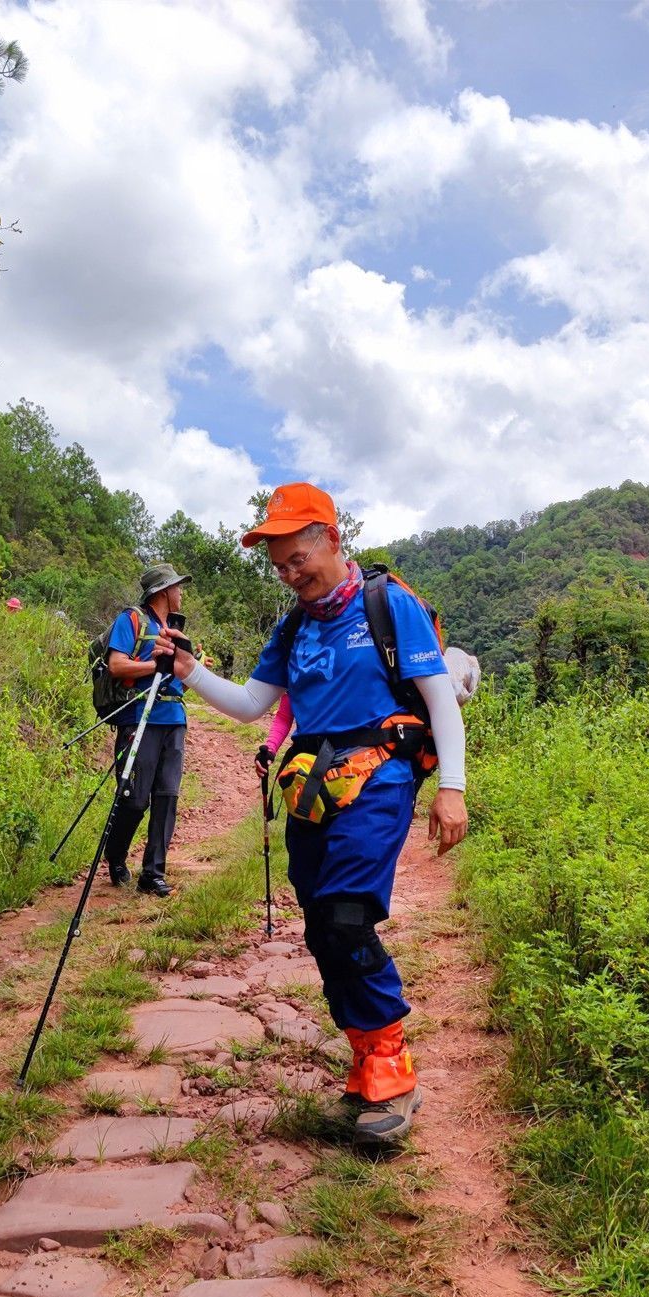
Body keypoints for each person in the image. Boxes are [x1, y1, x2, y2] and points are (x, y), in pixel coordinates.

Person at [156, 482, 467, 1146]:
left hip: (382, 774)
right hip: (312, 783)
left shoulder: (390, 606)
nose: (292, 574)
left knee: (347, 914)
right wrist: (187, 670)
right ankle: (364, 1058)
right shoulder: (294, 625)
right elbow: (249, 705)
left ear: (331, 538)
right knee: (323, 928)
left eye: (299, 557)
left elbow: (439, 698)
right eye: (280, 567)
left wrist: (453, 790)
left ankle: (392, 1066)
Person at [101, 562, 192, 897]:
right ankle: (116, 856)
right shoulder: (131, 620)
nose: (181, 593)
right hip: (139, 718)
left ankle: (153, 873)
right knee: (135, 799)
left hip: (174, 719)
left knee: (167, 798)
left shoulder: (175, 629)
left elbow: (179, 676)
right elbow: (116, 665)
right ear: (163, 591)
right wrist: (155, 663)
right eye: (177, 587)